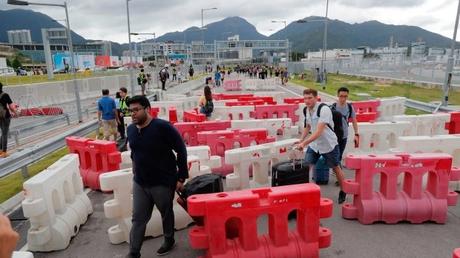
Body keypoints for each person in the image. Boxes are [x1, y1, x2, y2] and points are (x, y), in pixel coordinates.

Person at [125, 95, 188, 258]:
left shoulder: (163, 127)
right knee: (138, 218)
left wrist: (181, 178)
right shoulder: (131, 129)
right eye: (130, 111)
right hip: (140, 182)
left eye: (136, 110)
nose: (133, 114)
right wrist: (134, 168)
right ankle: (134, 252)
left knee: (165, 212)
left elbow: (181, 149)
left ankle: (169, 239)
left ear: (147, 109)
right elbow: (134, 151)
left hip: (163, 182)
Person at [296, 88, 347, 204]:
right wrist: (300, 140)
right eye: (305, 98)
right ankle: (305, 192)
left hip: (328, 144)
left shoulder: (323, 110)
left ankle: (343, 190)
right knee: (307, 165)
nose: (307, 101)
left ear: (316, 98)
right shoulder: (306, 110)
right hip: (314, 144)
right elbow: (307, 126)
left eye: (310, 98)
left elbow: (319, 131)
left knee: (335, 167)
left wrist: (304, 143)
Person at [333, 87, 359, 163]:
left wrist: (356, 134)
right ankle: (336, 170)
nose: (343, 99)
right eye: (341, 96)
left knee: (339, 155)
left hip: (344, 136)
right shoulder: (333, 107)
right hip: (334, 136)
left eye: (345, 96)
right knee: (334, 155)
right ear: (338, 95)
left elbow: (354, 121)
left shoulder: (350, 107)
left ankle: (336, 171)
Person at [0, 82, 16, 158]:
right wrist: (16, 112)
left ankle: (0, 150)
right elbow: (11, 107)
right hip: (5, 116)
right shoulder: (5, 95)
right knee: (5, 133)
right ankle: (4, 152)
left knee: (2, 133)